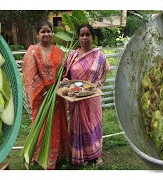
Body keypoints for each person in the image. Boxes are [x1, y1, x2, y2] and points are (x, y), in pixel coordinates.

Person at [22, 20, 70, 170]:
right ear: (37, 34)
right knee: (43, 124)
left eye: (48, 31)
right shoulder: (33, 51)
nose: (46, 34)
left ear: (52, 33)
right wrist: (44, 91)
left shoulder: (59, 51)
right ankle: (41, 156)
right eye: (43, 31)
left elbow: (63, 74)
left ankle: (57, 156)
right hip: (42, 96)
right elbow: (30, 75)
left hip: (57, 95)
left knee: (57, 124)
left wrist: (64, 69)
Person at [63, 24, 110, 169]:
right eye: (81, 35)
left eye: (87, 34)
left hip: (92, 99)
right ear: (78, 37)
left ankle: (97, 155)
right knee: (78, 126)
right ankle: (79, 155)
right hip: (76, 98)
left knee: (93, 126)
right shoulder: (72, 55)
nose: (84, 38)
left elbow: (104, 74)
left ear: (92, 37)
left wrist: (99, 83)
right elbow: (67, 76)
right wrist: (65, 83)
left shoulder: (99, 56)